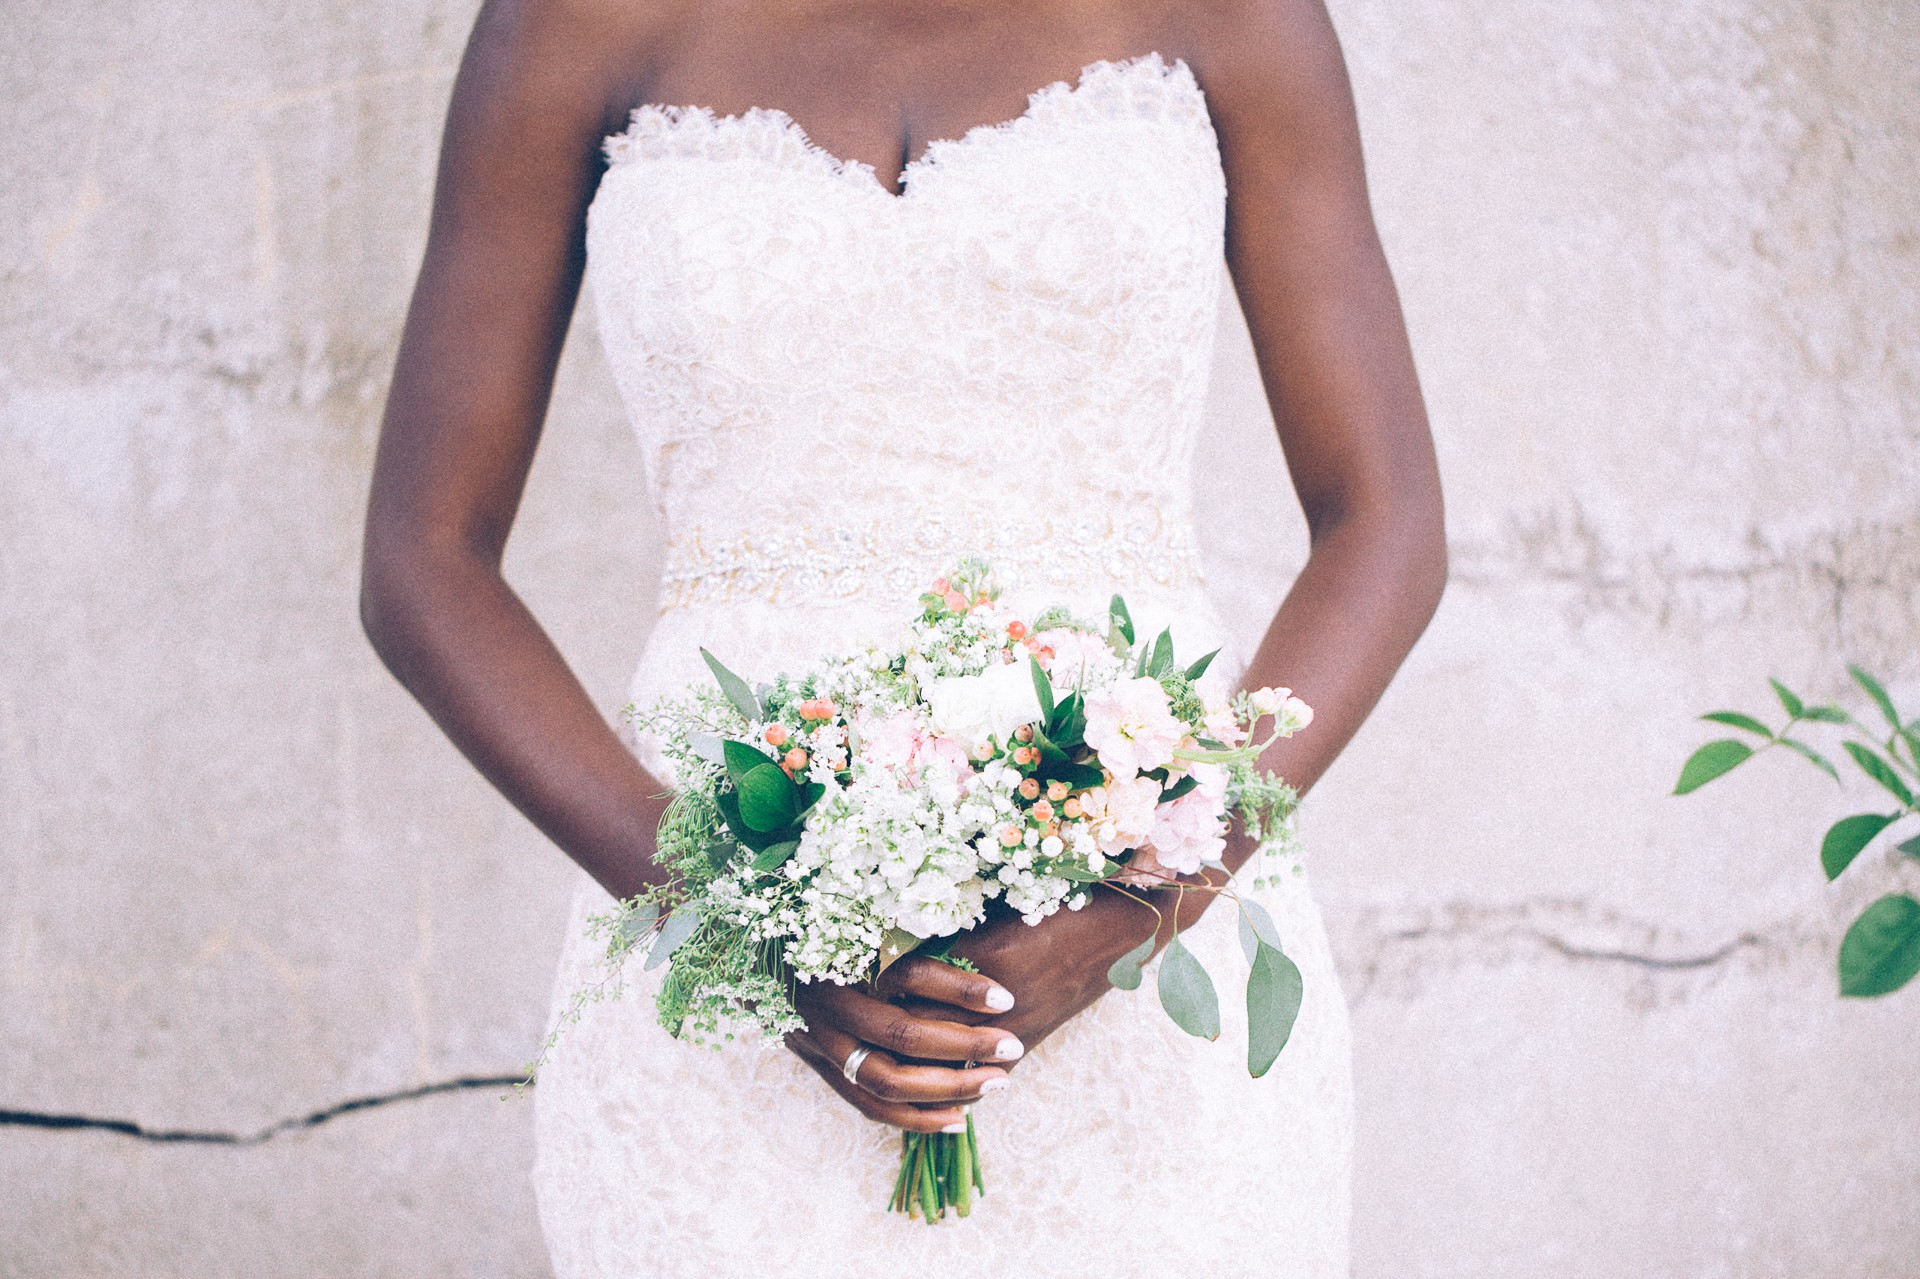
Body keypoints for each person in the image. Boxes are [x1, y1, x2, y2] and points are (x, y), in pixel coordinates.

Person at [361, 0, 1444, 1272]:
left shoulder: (1231, 15)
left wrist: (1136, 908)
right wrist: (735, 931)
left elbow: (1387, 524)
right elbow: (422, 563)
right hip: (720, 918)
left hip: (1151, 957)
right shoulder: (570, 23)